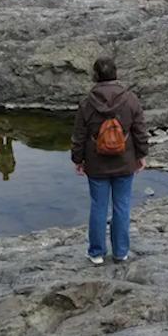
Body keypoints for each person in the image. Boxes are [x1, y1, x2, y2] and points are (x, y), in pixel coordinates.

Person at [70, 56, 147, 265]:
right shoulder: (131, 99)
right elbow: (139, 131)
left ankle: (96, 253)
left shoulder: (86, 103)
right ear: (116, 74)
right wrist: (141, 155)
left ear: (95, 76)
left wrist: (78, 159)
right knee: (122, 206)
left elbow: (79, 135)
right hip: (125, 161)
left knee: (98, 206)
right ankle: (121, 252)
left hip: (96, 163)